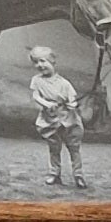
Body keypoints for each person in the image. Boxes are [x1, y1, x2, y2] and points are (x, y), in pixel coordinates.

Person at [26, 45, 87, 190]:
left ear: (53, 61)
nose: (39, 65)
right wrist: (46, 103)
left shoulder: (64, 83)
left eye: (42, 61)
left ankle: (78, 175)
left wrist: (72, 104)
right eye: (36, 62)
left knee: (74, 148)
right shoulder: (37, 80)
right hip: (50, 121)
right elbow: (35, 96)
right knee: (54, 148)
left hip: (68, 120)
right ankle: (55, 173)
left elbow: (72, 99)